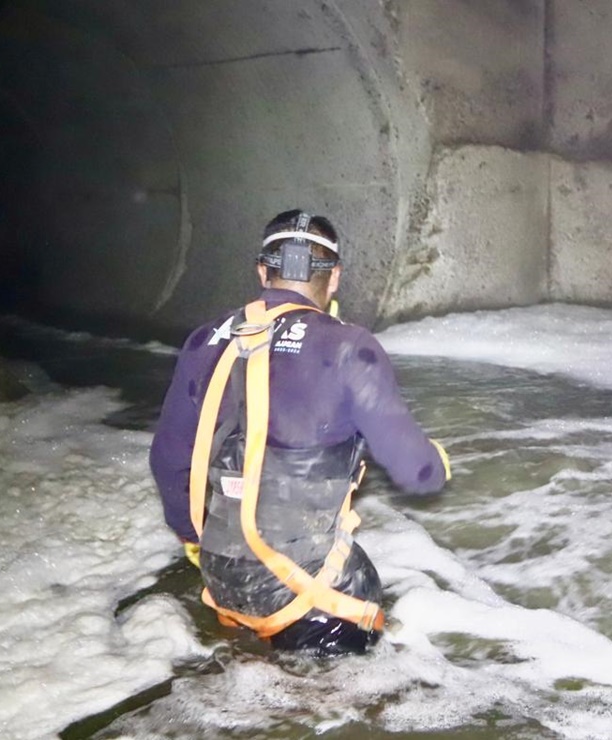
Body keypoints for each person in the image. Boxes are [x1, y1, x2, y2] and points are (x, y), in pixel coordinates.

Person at [149, 208, 450, 655]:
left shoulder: (204, 340)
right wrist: (436, 462)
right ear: (334, 280)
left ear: (262, 272)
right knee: (352, 699)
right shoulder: (348, 346)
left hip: (222, 572)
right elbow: (417, 473)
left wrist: (194, 540)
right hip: (308, 587)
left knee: (248, 679)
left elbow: (167, 459)